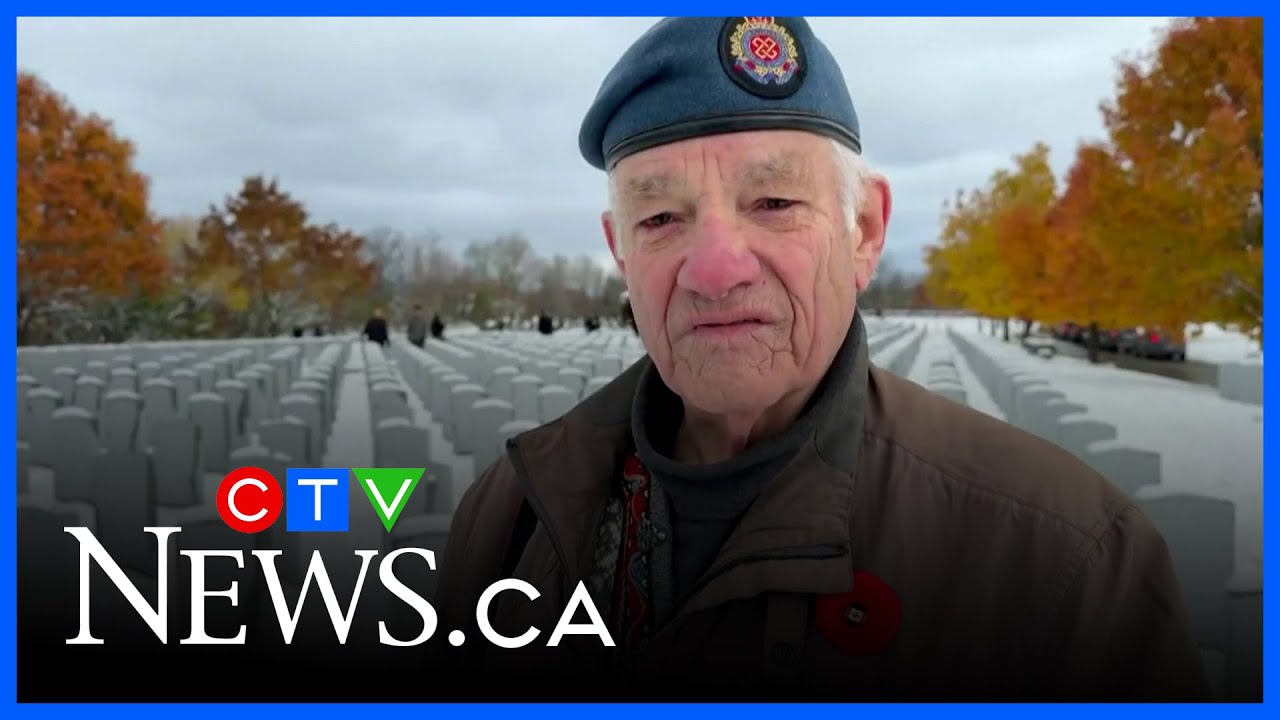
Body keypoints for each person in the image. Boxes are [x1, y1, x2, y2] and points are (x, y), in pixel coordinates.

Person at [430, 17, 1209, 702]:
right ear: (620, 253)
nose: (716, 268)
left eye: (773, 203)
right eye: (662, 217)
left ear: (865, 231)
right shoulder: (509, 515)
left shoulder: (1065, 562)